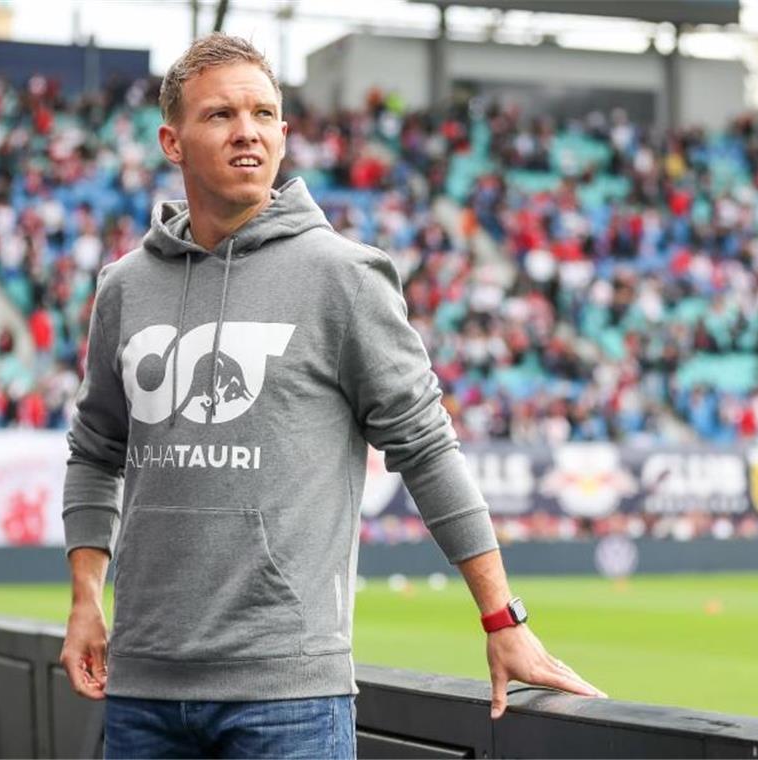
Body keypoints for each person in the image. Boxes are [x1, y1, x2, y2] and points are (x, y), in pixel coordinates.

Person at [59, 33, 606, 759]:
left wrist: (503, 619)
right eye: (221, 115)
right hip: (142, 694)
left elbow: (426, 446)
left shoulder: (342, 276)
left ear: (285, 134)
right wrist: (85, 601)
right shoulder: (125, 288)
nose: (248, 131)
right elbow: (96, 450)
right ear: (172, 141)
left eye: (265, 113)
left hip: (287, 700)